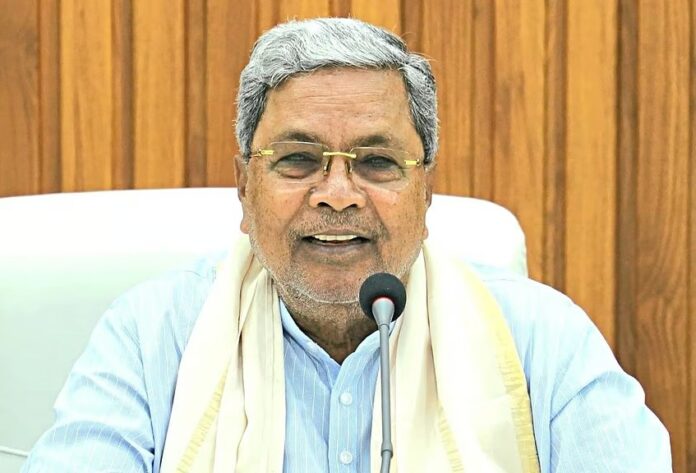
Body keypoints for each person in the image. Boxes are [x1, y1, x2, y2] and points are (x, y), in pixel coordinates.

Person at [22, 18, 670, 473]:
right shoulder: (151, 335)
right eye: (299, 159)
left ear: (426, 192)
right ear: (244, 188)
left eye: (378, 162)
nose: (337, 194)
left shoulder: (543, 342)